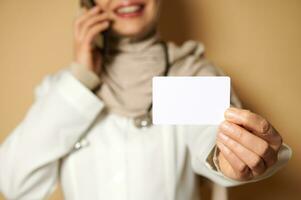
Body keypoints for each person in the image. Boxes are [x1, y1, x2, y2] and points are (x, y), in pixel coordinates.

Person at [0, 0, 292, 199]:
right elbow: (15, 181)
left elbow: (209, 139)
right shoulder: (65, 90)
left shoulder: (186, 76)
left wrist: (226, 156)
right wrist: (81, 79)